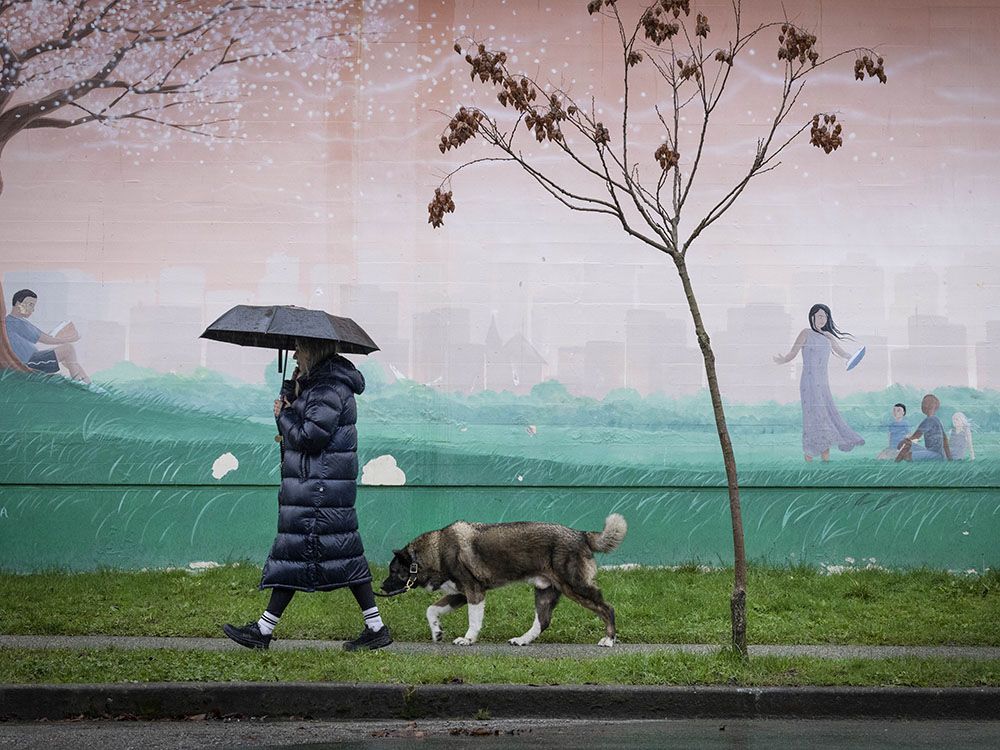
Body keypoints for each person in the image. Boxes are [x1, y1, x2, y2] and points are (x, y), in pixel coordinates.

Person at [223, 337, 392, 651]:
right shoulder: (319, 385)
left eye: (301, 348)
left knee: (298, 552)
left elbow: (311, 437)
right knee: (338, 554)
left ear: (314, 351)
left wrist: (284, 415)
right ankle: (375, 626)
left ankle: (262, 631)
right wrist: (292, 398)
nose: (296, 354)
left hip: (318, 489)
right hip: (319, 486)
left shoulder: (327, 389)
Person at [774, 303, 865, 462]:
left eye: (825, 316)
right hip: (809, 383)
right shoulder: (806, 333)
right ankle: (809, 456)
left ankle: (825, 458)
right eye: (820, 316)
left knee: (825, 416)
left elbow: (840, 351)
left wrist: (851, 356)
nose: (822, 319)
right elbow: (793, 352)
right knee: (813, 418)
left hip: (823, 384)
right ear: (813, 317)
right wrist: (782, 360)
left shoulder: (828, 336)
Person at [4, 288, 90, 383]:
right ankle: (79, 382)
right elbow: (46, 339)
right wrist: (70, 339)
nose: (33, 309)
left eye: (33, 305)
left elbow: (42, 337)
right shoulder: (15, 322)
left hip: (31, 360)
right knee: (68, 349)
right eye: (30, 304)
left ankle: (87, 382)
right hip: (29, 363)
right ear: (17, 303)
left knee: (68, 359)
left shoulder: (13, 321)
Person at [896, 393, 951, 462]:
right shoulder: (936, 420)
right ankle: (895, 463)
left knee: (907, 455)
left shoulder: (929, 420)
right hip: (934, 453)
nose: (922, 405)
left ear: (926, 406)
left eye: (923, 403)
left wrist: (903, 441)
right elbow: (945, 439)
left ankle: (895, 463)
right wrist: (949, 458)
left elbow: (916, 436)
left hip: (935, 455)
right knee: (908, 444)